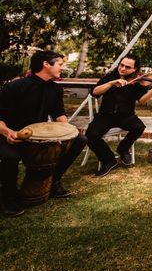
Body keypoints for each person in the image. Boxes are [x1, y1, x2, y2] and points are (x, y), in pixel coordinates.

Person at [0, 50, 87, 217]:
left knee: (80, 140)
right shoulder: (14, 87)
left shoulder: (55, 89)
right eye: (60, 64)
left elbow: (58, 113)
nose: (63, 67)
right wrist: (8, 133)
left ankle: (53, 181)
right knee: (10, 156)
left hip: (39, 137)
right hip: (10, 136)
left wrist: (69, 131)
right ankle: (7, 198)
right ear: (46, 64)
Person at [86, 56, 152, 177]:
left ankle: (123, 149)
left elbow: (142, 100)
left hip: (126, 116)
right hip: (105, 115)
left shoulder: (137, 81)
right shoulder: (110, 76)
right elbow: (94, 92)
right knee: (90, 135)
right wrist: (111, 83)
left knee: (138, 127)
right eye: (121, 65)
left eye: (127, 67)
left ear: (135, 69)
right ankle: (108, 160)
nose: (122, 68)